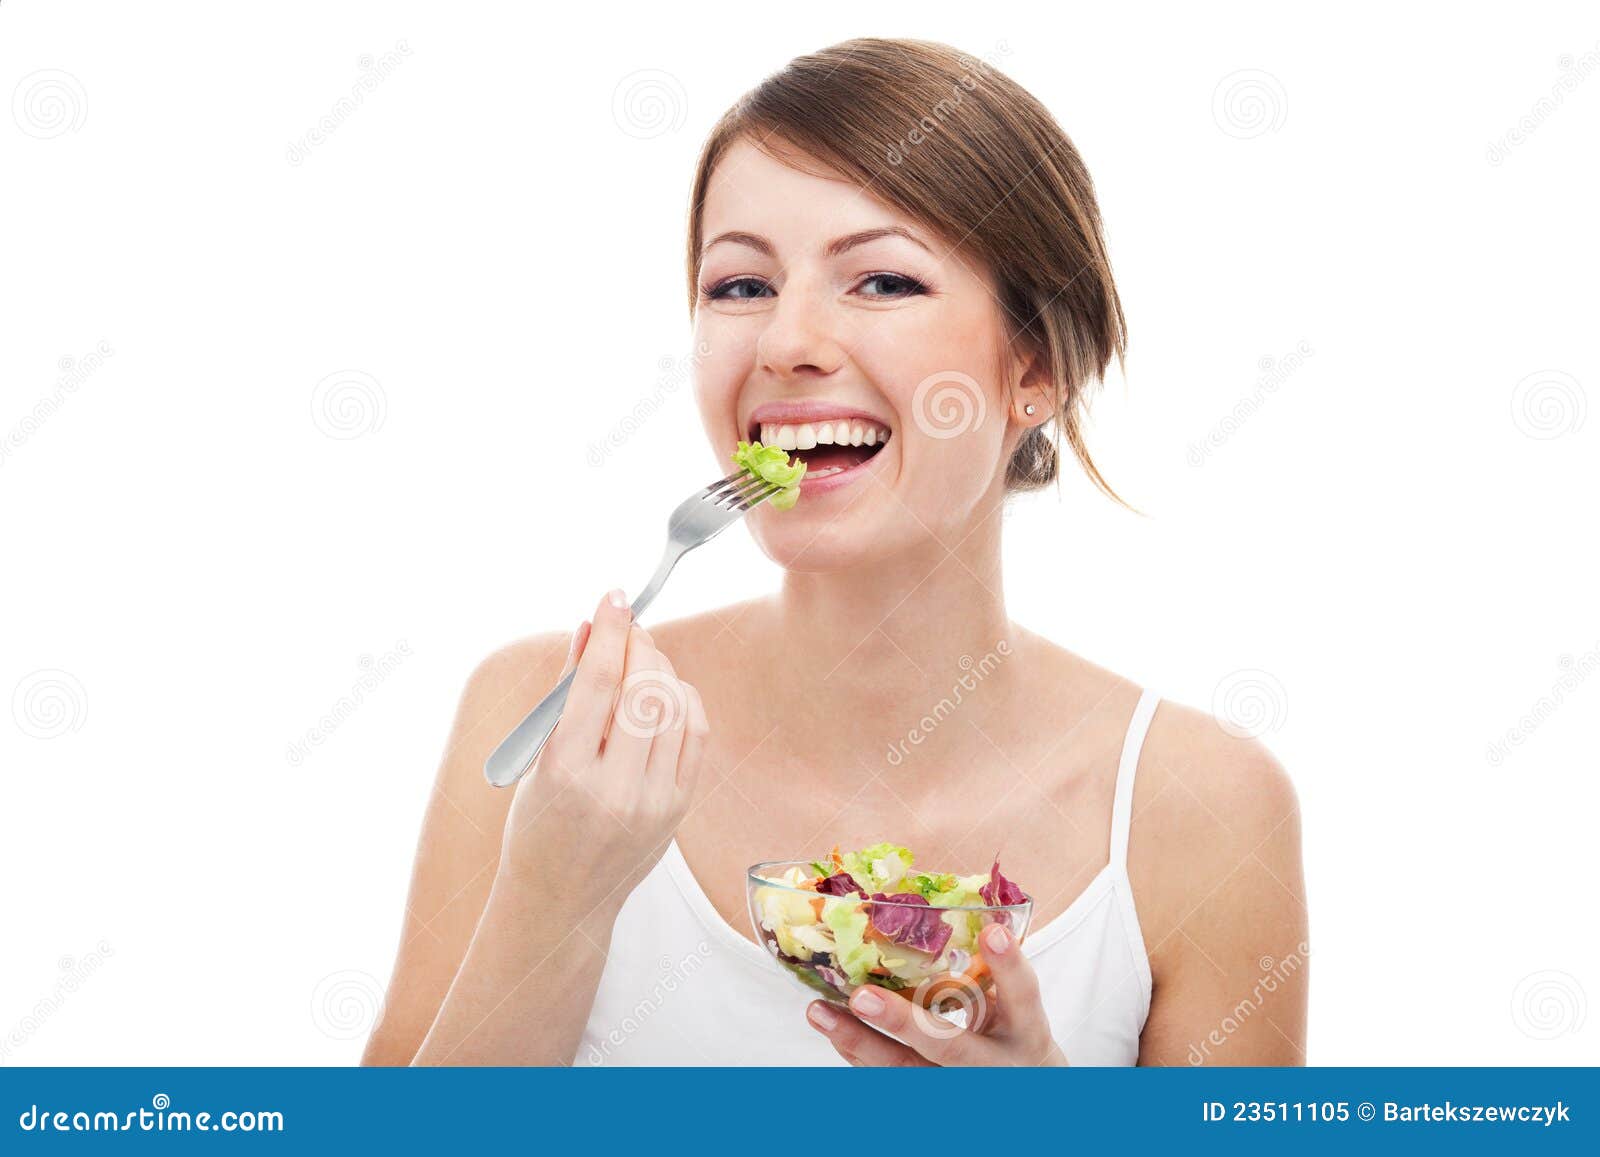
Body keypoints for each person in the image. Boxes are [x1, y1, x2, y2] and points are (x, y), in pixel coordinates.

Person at [363, 37, 1307, 1067]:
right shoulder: (540, 721)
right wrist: (551, 898)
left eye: (882, 281)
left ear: (1033, 363)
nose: (783, 342)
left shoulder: (1202, 805)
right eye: (738, 286)